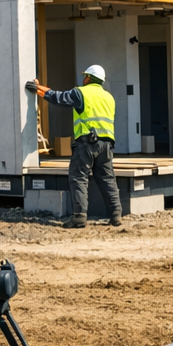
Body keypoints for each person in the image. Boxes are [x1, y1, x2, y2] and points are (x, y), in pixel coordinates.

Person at [30, 65, 123, 228]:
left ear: (89, 78)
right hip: (107, 145)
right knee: (107, 179)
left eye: (85, 76)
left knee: (78, 178)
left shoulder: (81, 93)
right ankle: (116, 215)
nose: (83, 79)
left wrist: (37, 88)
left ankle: (79, 217)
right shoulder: (109, 97)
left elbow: (58, 97)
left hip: (87, 143)